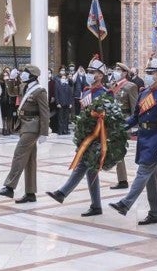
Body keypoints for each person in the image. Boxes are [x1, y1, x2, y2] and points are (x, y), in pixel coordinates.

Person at [108, 58, 157, 225]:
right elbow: (135, 117)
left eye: (151, 73)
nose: (147, 76)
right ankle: (155, 214)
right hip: (144, 137)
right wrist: (121, 127)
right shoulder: (144, 93)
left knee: (143, 172)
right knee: (151, 180)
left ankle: (125, 203)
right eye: (147, 73)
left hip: (156, 138)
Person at [46, 57, 112, 216]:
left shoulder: (105, 93)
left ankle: (62, 192)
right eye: (88, 72)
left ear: (101, 75)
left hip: (97, 136)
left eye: (93, 72)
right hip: (86, 135)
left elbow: (110, 116)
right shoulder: (86, 91)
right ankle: (96, 206)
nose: (89, 74)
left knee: (83, 165)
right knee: (90, 171)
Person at [0, 65, 49, 203]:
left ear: (32, 76)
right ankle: (30, 193)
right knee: (30, 160)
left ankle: (9, 187)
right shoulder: (25, 87)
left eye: (25, 72)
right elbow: (12, 92)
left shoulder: (40, 91)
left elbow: (45, 112)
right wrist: (11, 79)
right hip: (24, 125)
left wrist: (44, 132)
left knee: (19, 154)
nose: (23, 74)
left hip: (32, 127)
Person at [109, 62, 139, 189]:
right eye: (115, 69)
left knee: (118, 150)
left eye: (118, 70)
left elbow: (135, 107)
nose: (116, 72)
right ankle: (122, 179)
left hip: (124, 122)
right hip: (113, 122)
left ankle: (123, 181)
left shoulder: (130, 86)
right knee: (116, 150)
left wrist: (135, 125)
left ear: (125, 73)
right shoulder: (114, 86)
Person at [0, 67, 16, 136]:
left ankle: (9, 129)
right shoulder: (0, 82)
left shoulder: (11, 82)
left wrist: (9, 82)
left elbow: (13, 90)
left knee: (10, 116)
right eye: (4, 74)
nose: (6, 76)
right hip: (3, 101)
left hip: (10, 101)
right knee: (4, 116)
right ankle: (4, 129)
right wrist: (5, 82)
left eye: (7, 74)